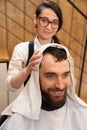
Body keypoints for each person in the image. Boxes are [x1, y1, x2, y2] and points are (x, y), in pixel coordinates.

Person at [0, 43, 87, 130]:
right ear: (36, 77)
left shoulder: (82, 114)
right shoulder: (16, 121)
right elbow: (11, 84)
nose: (60, 86)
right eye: (51, 76)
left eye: (65, 75)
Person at [6, 0, 63, 90]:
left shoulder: (63, 52)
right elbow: (11, 86)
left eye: (54, 23)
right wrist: (27, 70)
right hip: (31, 103)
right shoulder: (22, 49)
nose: (48, 27)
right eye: (44, 20)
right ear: (36, 19)